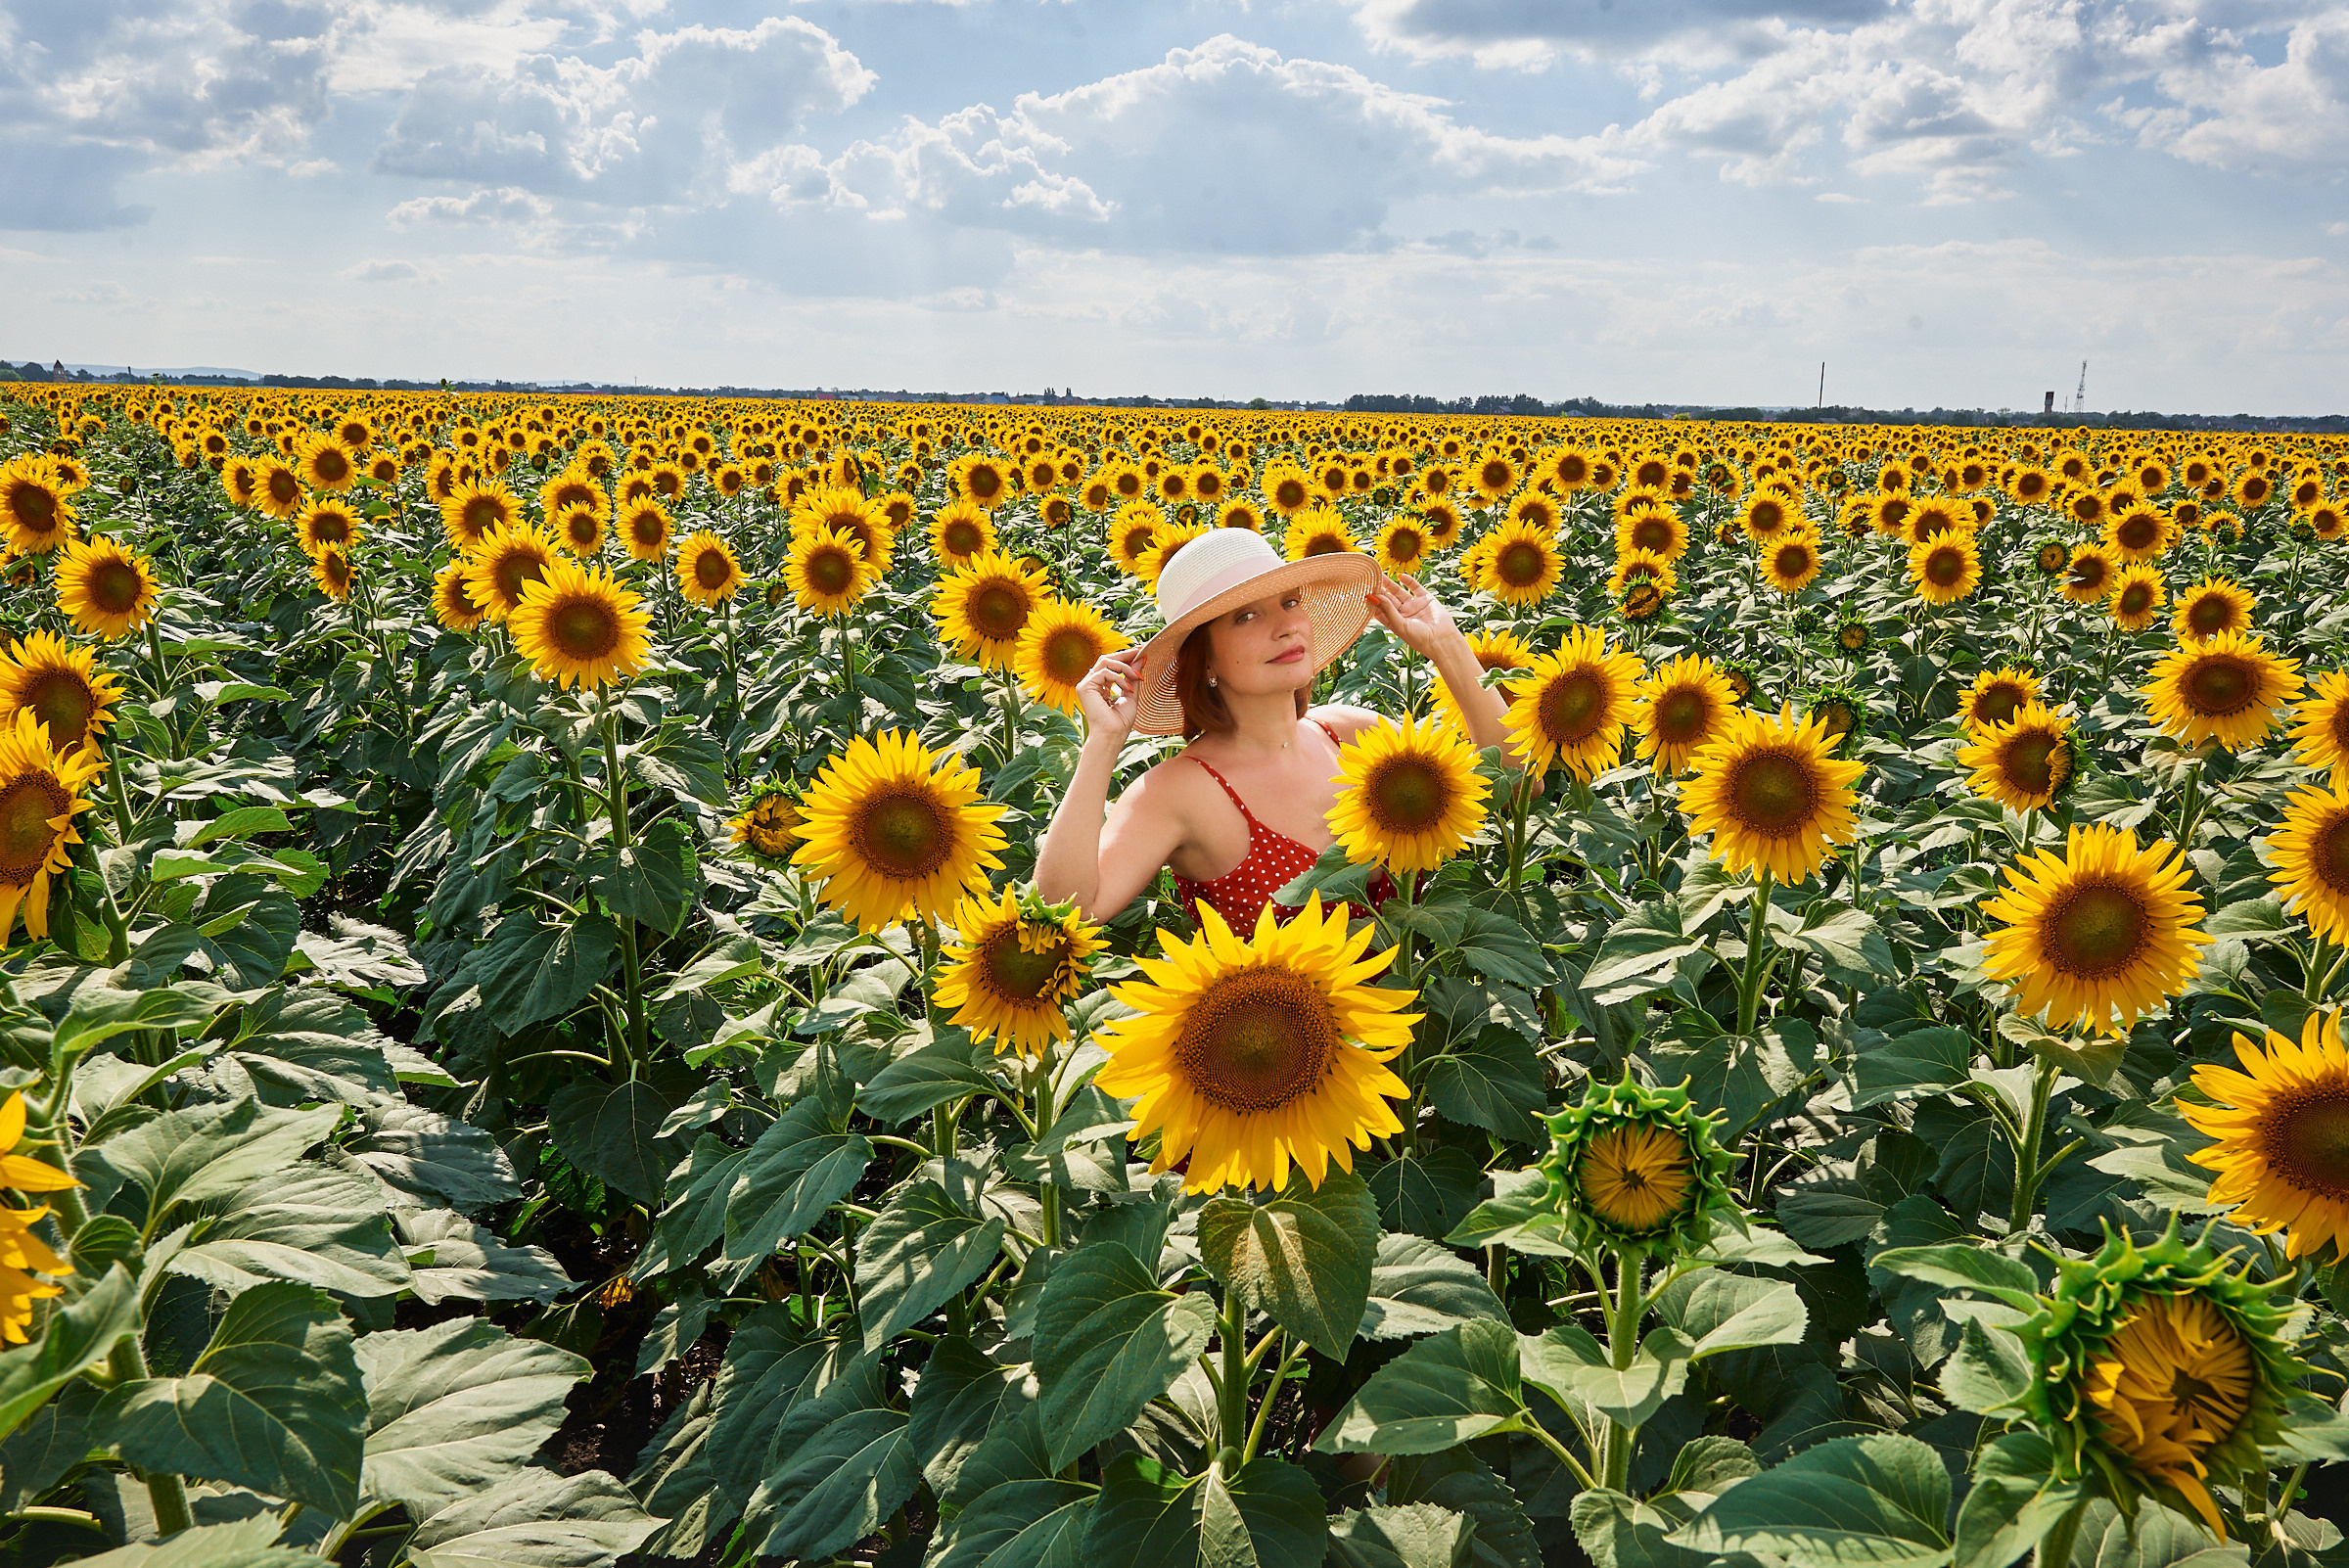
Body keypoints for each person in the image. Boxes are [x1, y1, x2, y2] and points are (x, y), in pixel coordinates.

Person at [1035, 526, 1528, 929]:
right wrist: (1103, 743)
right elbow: (1067, 911)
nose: (1286, 625)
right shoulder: (1178, 791)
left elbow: (1514, 781)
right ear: (1204, 658)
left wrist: (1448, 647)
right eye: (1246, 616)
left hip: (1414, 1040)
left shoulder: (1355, 735)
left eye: (1290, 603)